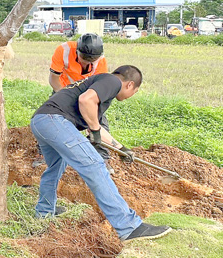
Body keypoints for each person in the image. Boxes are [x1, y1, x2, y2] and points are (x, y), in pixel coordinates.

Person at [30, 65, 172, 241]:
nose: (130, 96)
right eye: (134, 91)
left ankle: (44, 213)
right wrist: (95, 130)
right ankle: (128, 227)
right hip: (55, 121)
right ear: (130, 85)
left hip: (41, 121)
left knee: (55, 168)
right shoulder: (112, 81)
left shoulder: (98, 87)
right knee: (95, 165)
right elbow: (85, 101)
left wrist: (121, 149)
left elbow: (93, 123)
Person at [34, 33, 109, 168]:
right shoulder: (64, 50)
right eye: (83, 59)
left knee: (99, 119)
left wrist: (90, 113)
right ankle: (44, 154)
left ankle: (101, 156)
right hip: (62, 89)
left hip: (87, 93)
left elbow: (98, 88)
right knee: (50, 117)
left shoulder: (101, 61)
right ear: (77, 51)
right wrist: (64, 97)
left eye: (90, 61)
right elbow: (54, 78)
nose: (86, 63)